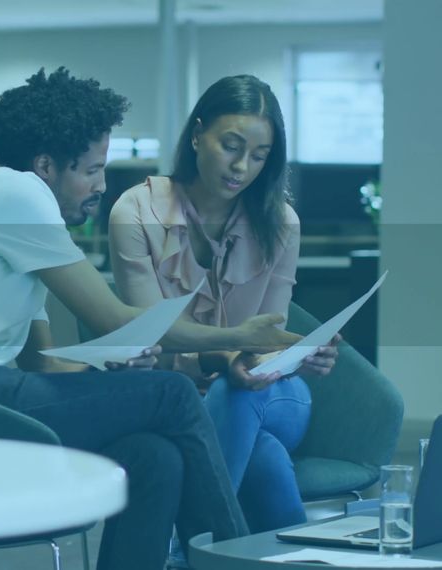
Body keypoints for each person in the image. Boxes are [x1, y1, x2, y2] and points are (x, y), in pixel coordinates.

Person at [0, 68, 302, 570]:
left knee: (151, 456)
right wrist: (235, 336)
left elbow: (45, 368)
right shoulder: (16, 195)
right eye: (91, 170)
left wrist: (106, 376)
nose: (100, 185)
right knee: (172, 394)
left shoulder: (18, 235)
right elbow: (117, 319)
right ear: (47, 165)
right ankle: (230, 560)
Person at [108, 75, 341, 542]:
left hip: (270, 395)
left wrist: (301, 353)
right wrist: (226, 355)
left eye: (259, 156)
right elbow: (157, 332)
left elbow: (266, 342)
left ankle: (193, 546)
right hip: (172, 396)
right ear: (197, 134)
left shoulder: (280, 223)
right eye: (231, 146)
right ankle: (279, 553)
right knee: (264, 456)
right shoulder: (135, 212)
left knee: (240, 393)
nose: (242, 167)